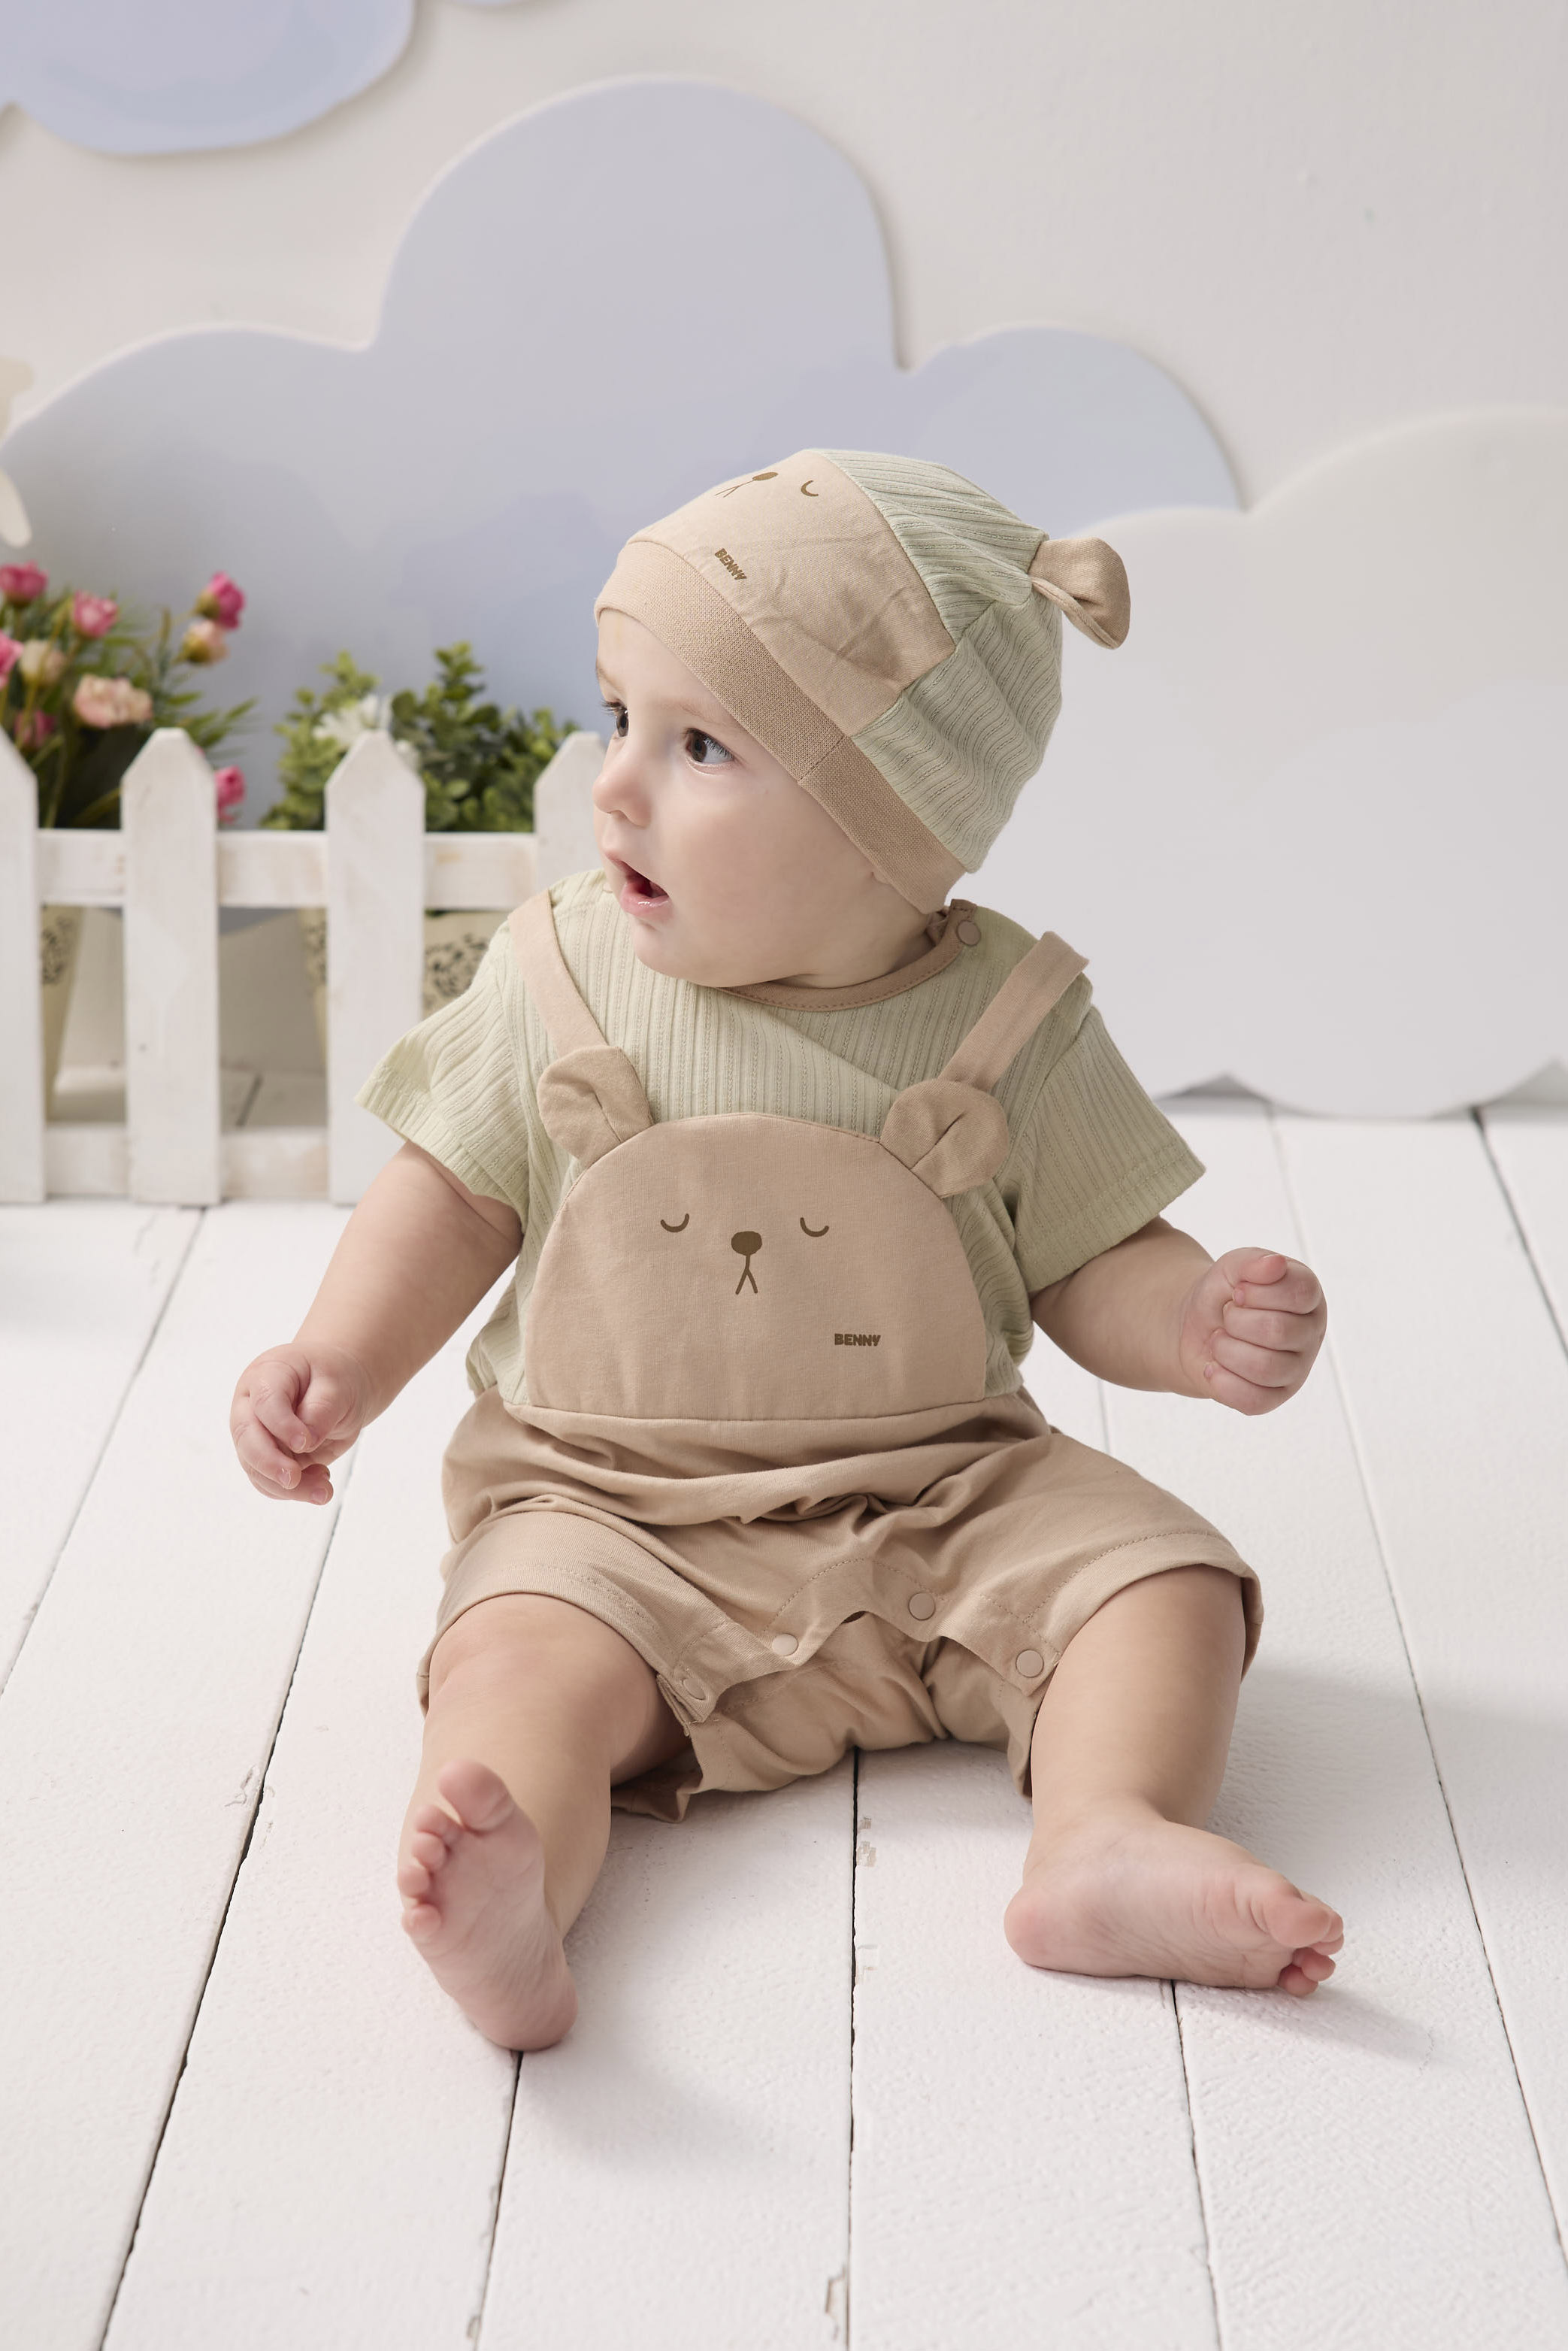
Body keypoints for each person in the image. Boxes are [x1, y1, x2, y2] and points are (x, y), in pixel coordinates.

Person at [230, 450, 1342, 2052]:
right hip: (611, 1513)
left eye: (699, 745)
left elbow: (1090, 1255)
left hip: (947, 1494)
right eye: (620, 716)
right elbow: (453, 1194)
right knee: (514, 1660)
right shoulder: (559, 975)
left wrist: (1190, 1318)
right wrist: (336, 1358)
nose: (615, 785)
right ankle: (518, 1886)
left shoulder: (1007, 1019)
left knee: (1164, 1584)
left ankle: (1104, 1835)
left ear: (895, 822)